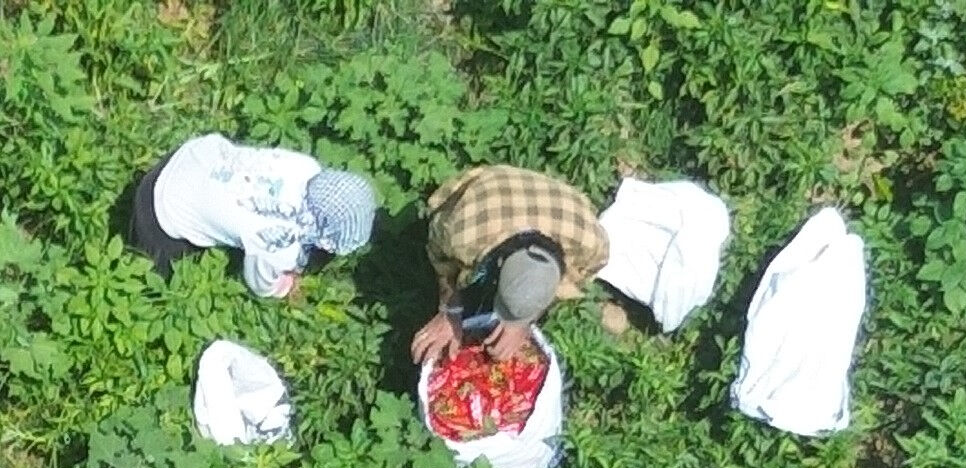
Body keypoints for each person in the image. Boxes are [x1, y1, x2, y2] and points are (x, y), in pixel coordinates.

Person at [126, 135, 377, 299]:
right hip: (160, 209)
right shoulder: (280, 244)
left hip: (192, 156)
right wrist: (285, 284)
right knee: (154, 280)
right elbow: (259, 282)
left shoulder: (307, 167)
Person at [409, 164, 609, 367]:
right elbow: (440, 254)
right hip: (495, 189)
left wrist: (523, 321)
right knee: (464, 270)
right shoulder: (465, 234)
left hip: (563, 207)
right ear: (501, 261)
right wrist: (450, 311)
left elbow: (572, 280)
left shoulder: (591, 246)